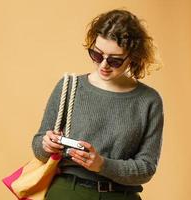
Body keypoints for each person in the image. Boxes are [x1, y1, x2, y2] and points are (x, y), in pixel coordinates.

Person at [31, 9, 164, 200]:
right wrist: (47, 144)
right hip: (68, 192)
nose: (103, 65)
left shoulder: (149, 101)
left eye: (115, 60)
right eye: (96, 54)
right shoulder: (69, 86)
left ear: (133, 57)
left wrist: (102, 164)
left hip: (121, 196)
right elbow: (38, 146)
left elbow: (147, 167)